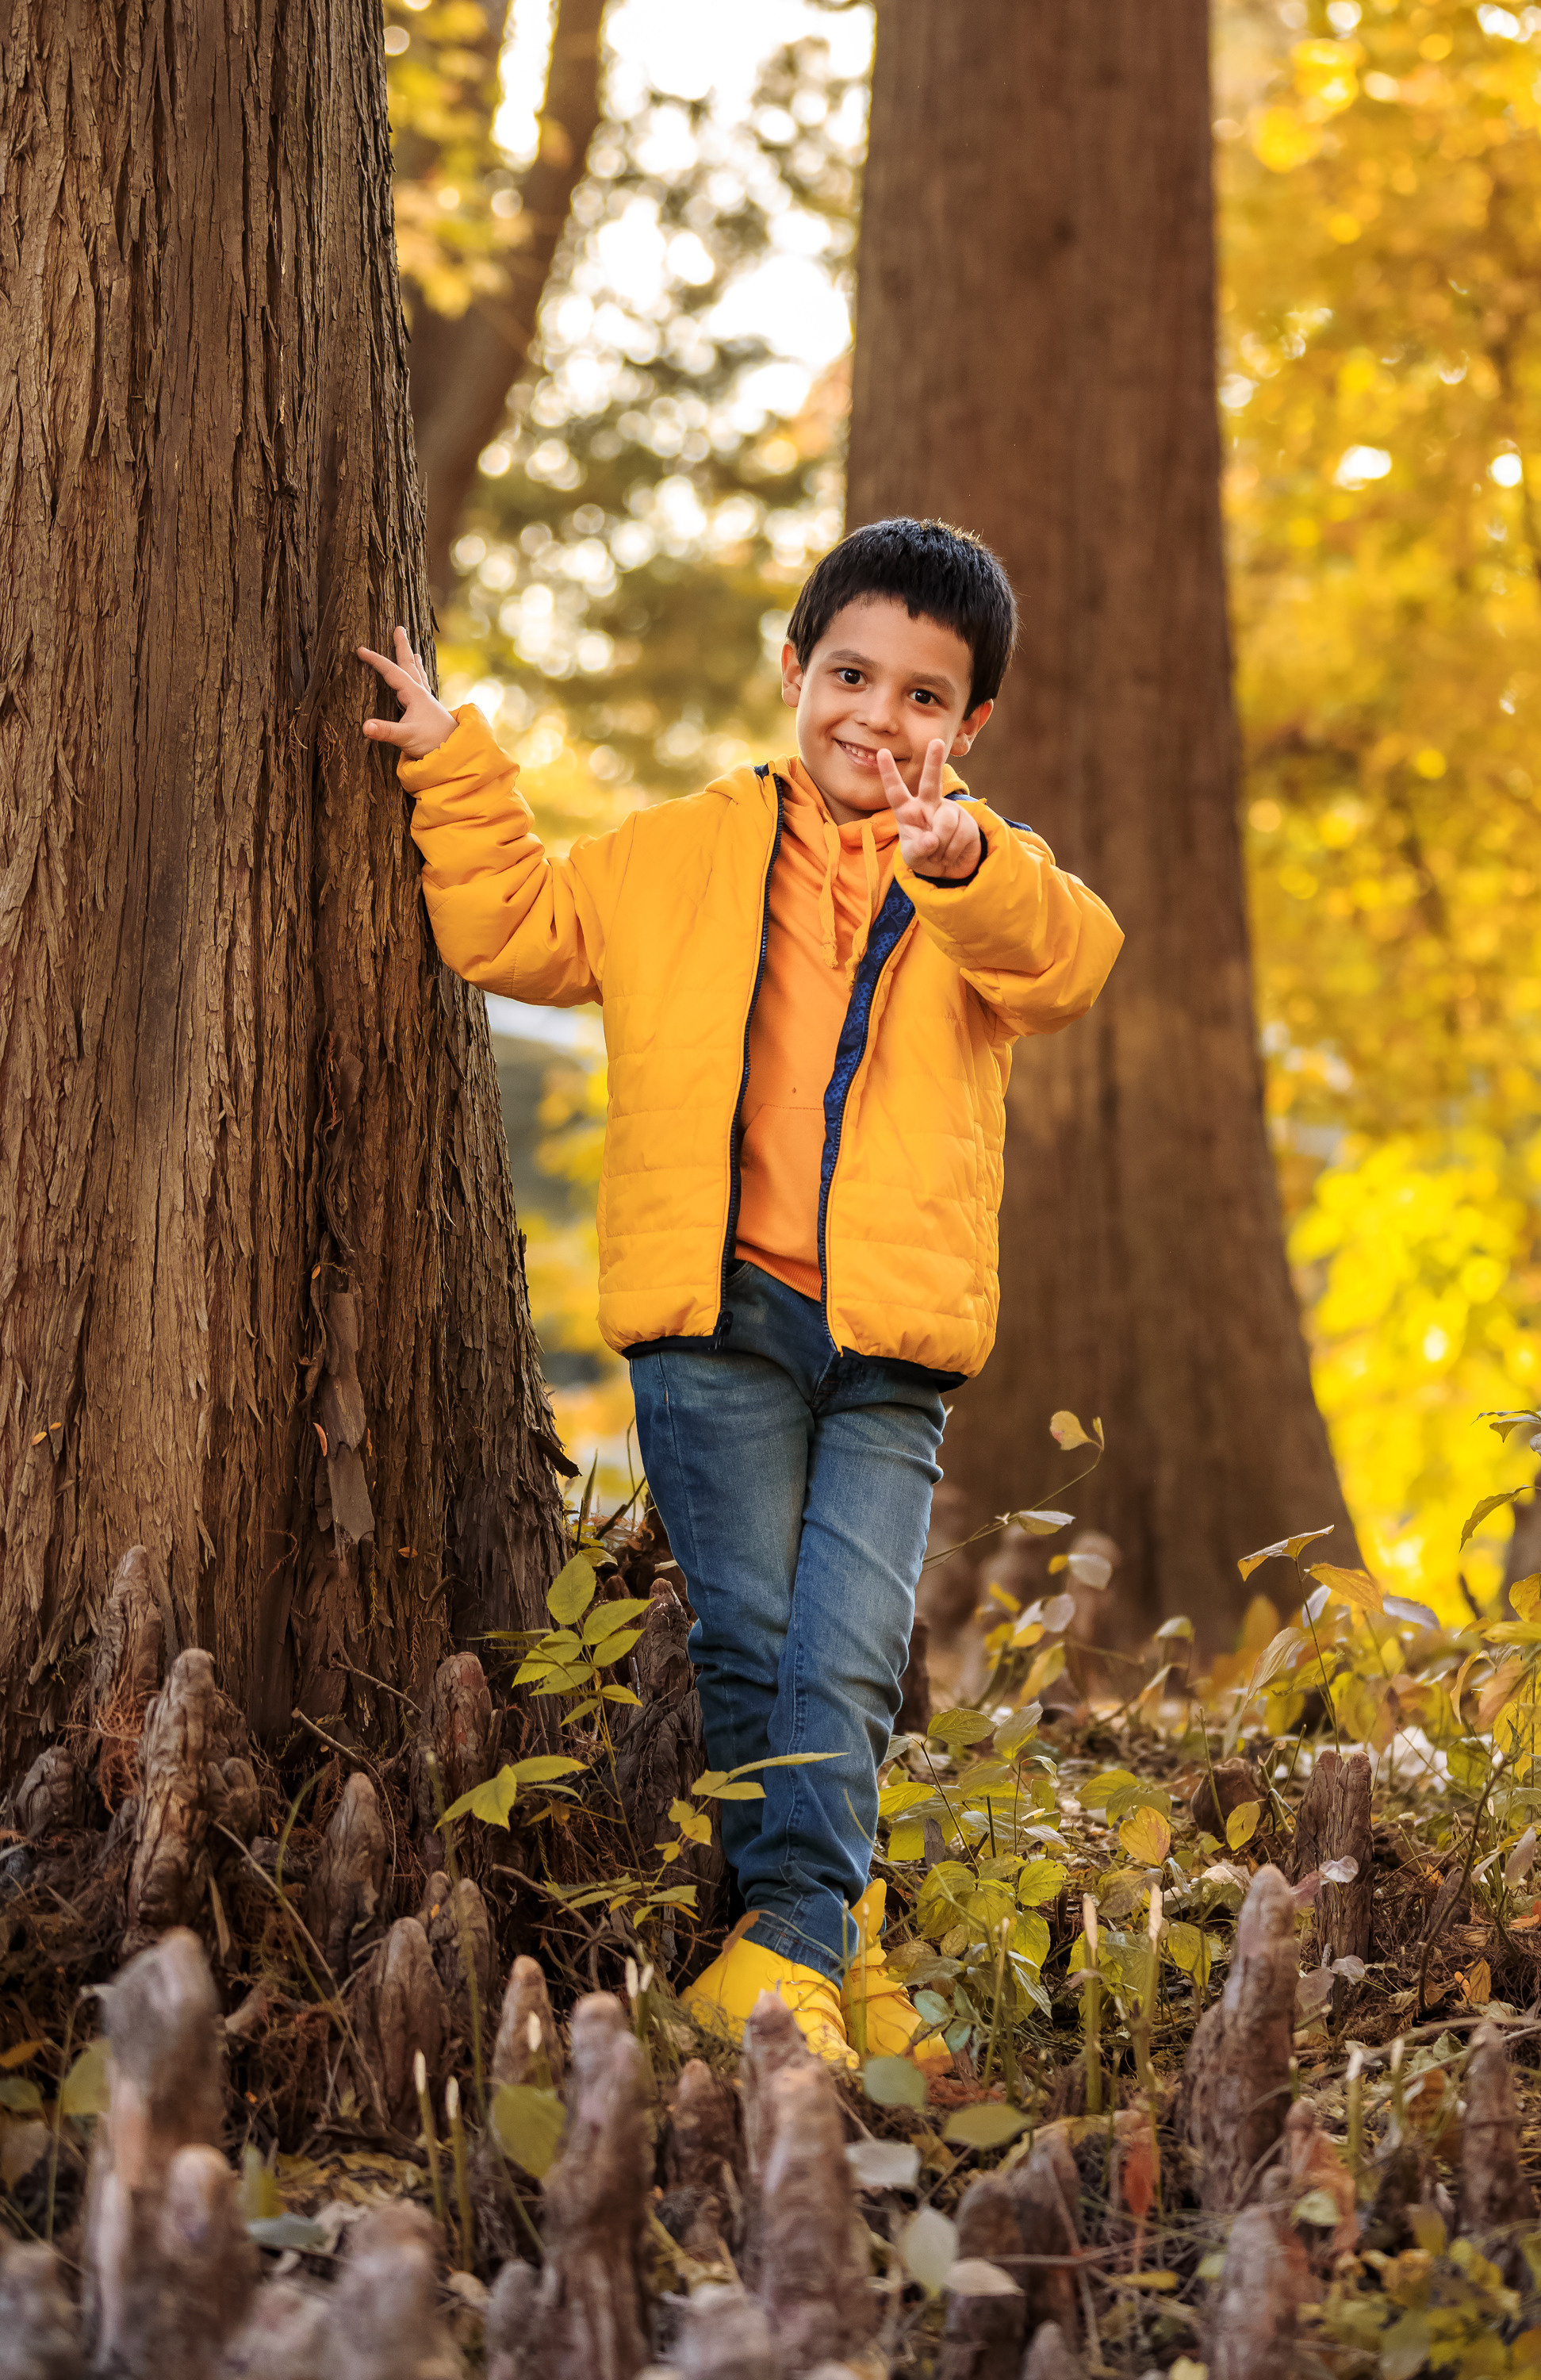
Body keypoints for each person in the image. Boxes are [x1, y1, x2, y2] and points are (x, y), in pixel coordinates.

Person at [359, 516, 1122, 2067]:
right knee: (759, 1633)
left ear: (969, 729)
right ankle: (823, 1947)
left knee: (849, 1645)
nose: (879, 718)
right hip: (718, 1318)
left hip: (891, 1343)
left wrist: (965, 862)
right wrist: (455, 761)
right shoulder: (684, 852)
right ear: (794, 671)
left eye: (924, 697)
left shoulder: (978, 877)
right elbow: (514, 923)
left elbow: (1073, 963)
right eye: (851, 674)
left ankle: (804, 1946)